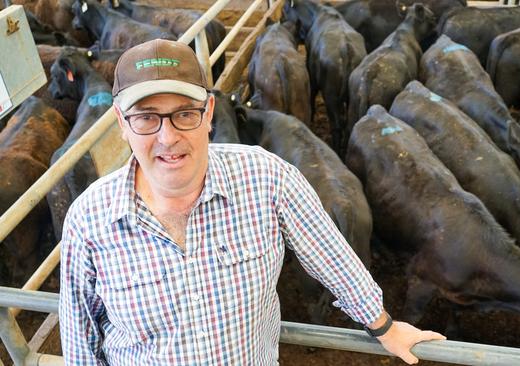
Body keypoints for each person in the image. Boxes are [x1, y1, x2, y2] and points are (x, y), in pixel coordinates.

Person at [59, 38, 445, 365]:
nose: (167, 137)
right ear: (121, 123)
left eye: (185, 114)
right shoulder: (89, 219)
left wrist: (384, 326)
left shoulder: (267, 178)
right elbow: (81, 335)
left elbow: (333, 257)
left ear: (209, 112)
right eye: (145, 118)